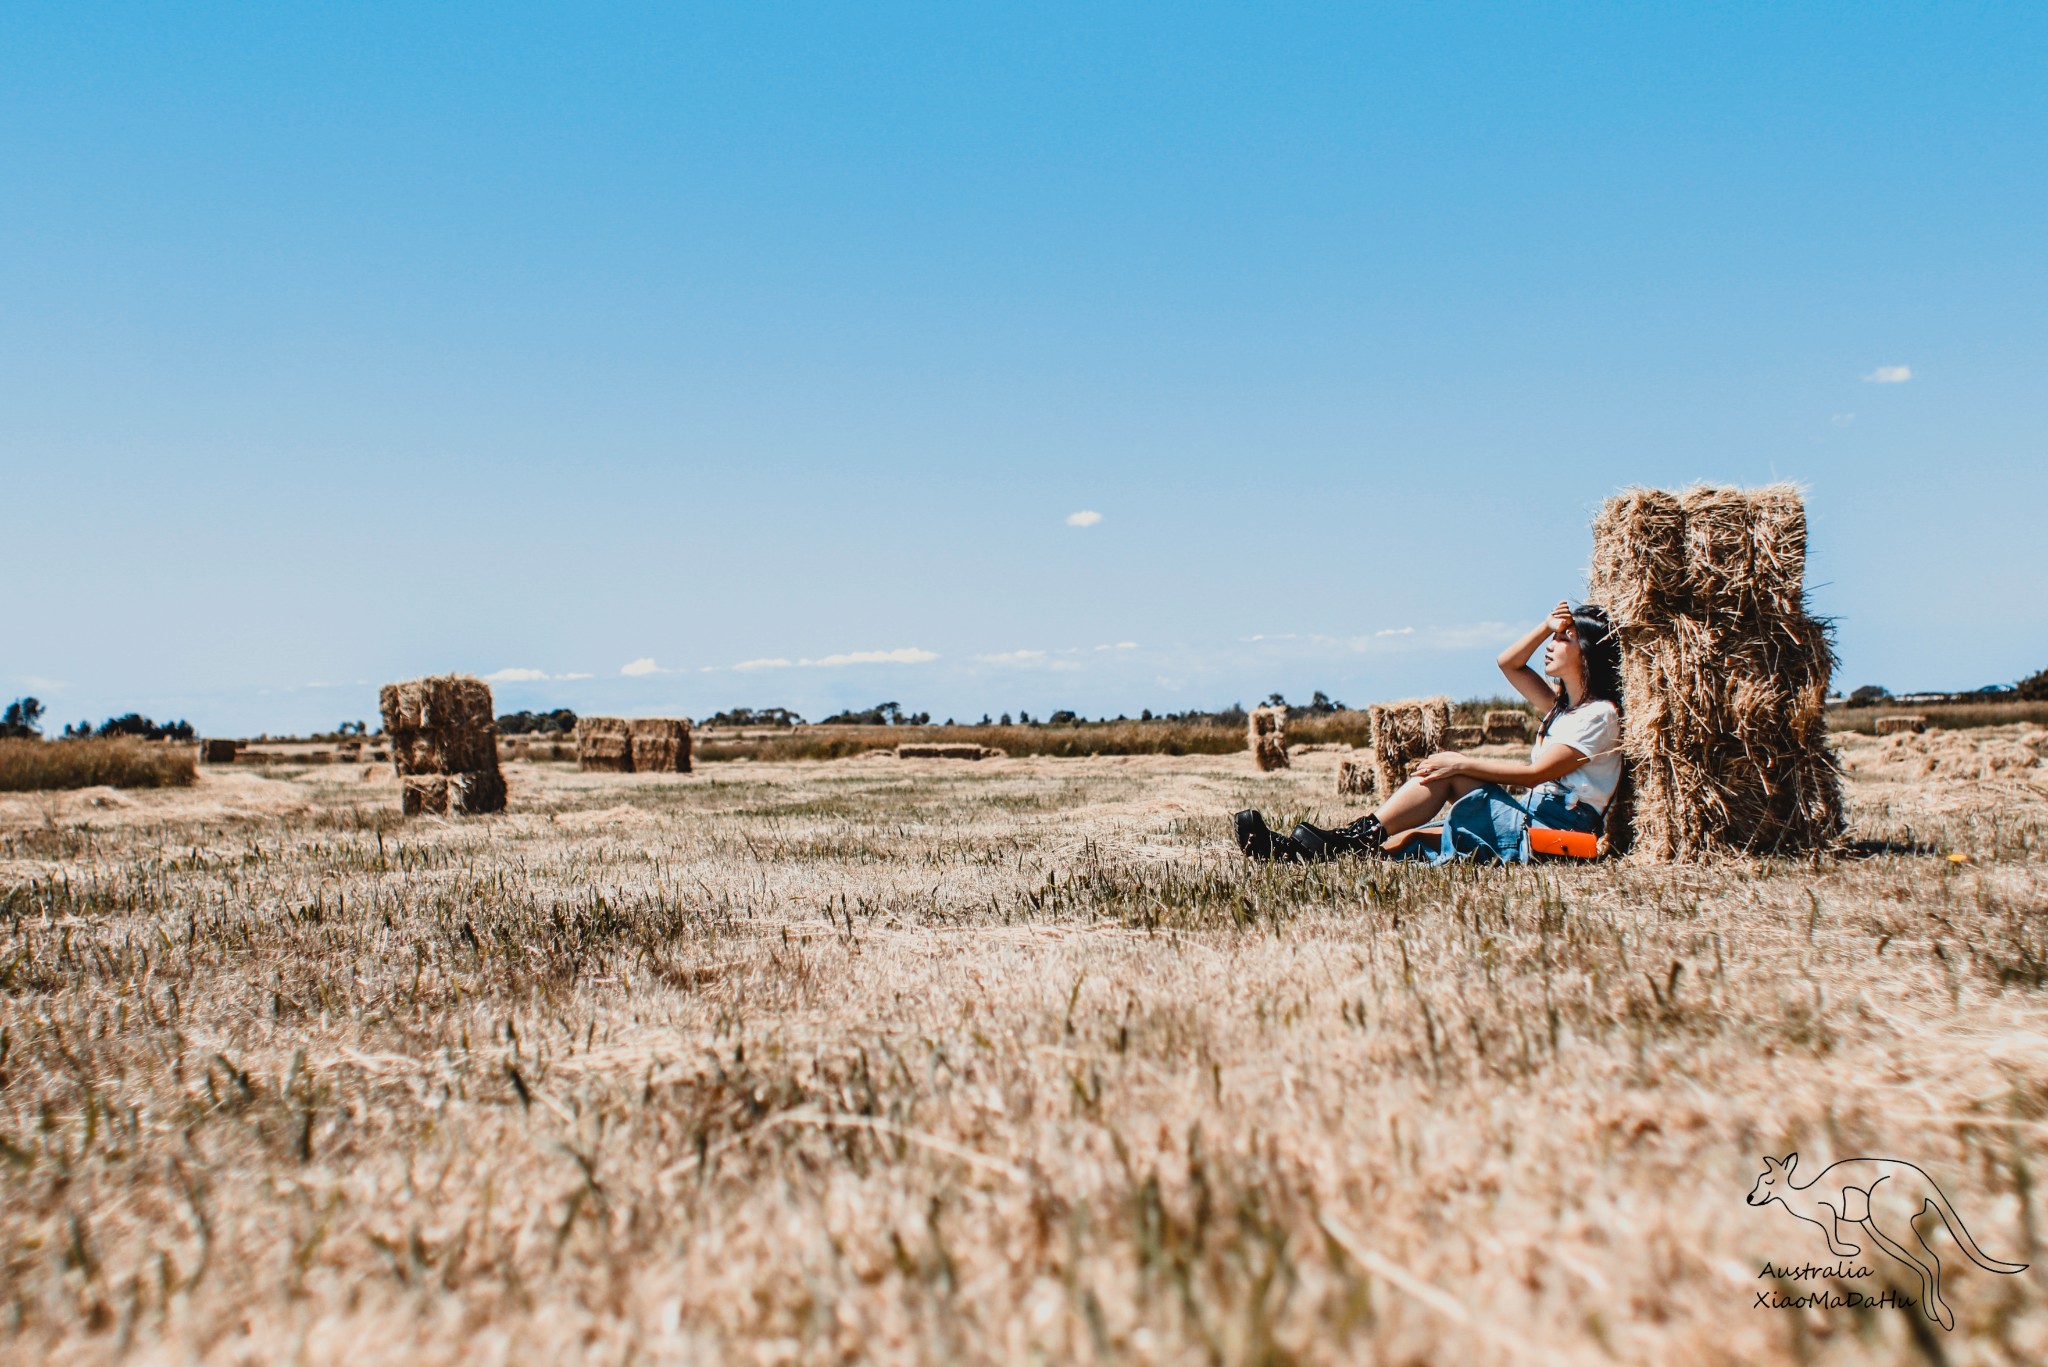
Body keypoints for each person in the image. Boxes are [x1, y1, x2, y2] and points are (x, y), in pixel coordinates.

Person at [1235, 601, 1624, 863]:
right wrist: (1544, 626)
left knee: (1446, 778)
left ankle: (1344, 840)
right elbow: (1509, 664)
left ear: (1588, 653)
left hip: (1553, 835)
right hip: (1528, 819)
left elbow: (1538, 775)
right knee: (1405, 841)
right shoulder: (1562, 710)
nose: (1552, 644)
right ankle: (1308, 850)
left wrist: (1460, 762)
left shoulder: (1599, 716)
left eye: (1565, 637)